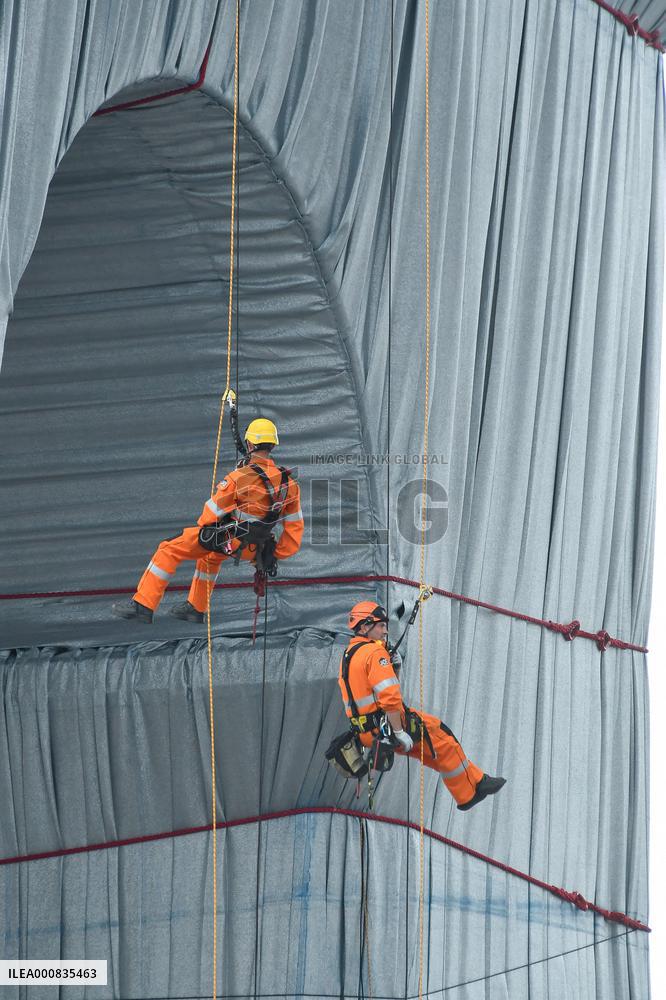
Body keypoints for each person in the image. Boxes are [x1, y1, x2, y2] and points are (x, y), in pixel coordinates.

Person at [112, 418, 303, 624]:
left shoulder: (240, 477)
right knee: (210, 557)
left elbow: (209, 515)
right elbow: (294, 528)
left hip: (231, 540)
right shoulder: (289, 483)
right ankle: (195, 608)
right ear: (272, 444)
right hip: (256, 550)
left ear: (249, 445)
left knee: (168, 548)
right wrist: (273, 554)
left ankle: (143, 604)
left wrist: (210, 527)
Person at [339, 601, 506, 810]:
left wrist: (395, 667)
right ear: (365, 626)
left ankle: (478, 780)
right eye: (381, 626)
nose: (385, 631)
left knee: (434, 750)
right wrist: (399, 732)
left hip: (367, 731)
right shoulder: (374, 653)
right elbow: (390, 698)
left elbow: (373, 691)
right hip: (388, 725)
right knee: (444, 741)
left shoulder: (349, 655)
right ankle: (469, 794)